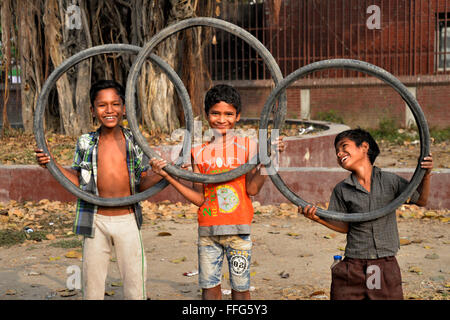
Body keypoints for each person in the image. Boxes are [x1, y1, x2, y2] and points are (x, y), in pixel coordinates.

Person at [150, 84, 285, 300]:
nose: (222, 119)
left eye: (228, 114)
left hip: (239, 231)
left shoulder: (249, 147)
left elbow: (252, 188)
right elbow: (199, 199)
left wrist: (272, 157)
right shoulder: (198, 153)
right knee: (210, 291)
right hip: (208, 233)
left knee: (241, 291)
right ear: (207, 115)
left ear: (238, 116)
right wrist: (168, 176)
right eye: (215, 113)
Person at [35, 80, 163, 300]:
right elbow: (78, 180)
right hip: (96, 219)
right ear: (93, 111)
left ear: (124, 108)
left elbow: (141, 184)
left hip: (128, 219)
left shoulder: (134, 140)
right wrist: (51, 164)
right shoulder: (86, 141)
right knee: (92, 284)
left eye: (115, 104)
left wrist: (163, 174)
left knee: (136, 283)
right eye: (102, 105)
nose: (109, 110)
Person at [299, 128, 433, 300]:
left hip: (381, 264)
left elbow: (420, 200)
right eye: (337, 151)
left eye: (343, 146)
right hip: (353, 264)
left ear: (364, 147)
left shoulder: (389, 181)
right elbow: (345, 225)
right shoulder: (342, 189)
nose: (339, 153)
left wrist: (426, 174)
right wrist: (317, 218)